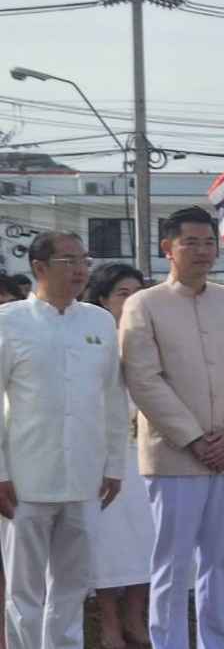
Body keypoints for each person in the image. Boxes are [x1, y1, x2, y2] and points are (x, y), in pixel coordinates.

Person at [122, 206, 224, 649]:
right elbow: (143, 379)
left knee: (220, 559)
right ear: (168, 247)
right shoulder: (143, 304)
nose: (203, 251)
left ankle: (217, 641)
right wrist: (195, 438)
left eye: (209, 243)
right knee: (173, 561)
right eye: (191, 242)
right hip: (174, 455)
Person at [0, 232, 128, 649]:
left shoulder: (99, 321)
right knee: (24, 591)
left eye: (84, 261)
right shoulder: (9, 322)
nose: (80, 270)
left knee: (72, 588)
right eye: (68, 261)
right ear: (39, 267)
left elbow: (113, 398)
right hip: (25, 480)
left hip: (85, 477)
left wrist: (114, 465)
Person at [81, 264, 153, 649]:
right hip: (103, 455)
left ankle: (135, 617)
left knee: (147, 539)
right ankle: (109, 619)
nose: (131, 300)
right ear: (103, 299)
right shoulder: (90, 338)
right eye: (123, 293)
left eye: (137, 292)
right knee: (109, 543)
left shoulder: (151, 336)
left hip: (148, 453)